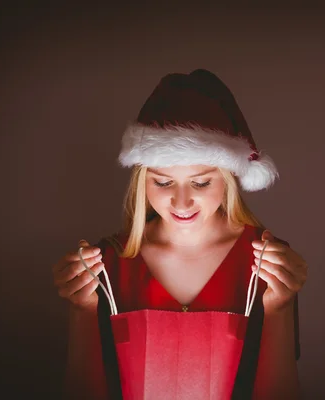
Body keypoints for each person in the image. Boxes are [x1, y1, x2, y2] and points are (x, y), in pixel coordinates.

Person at [52, 69, 308, 399]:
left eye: (201, 182)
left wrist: (280, 308)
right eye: (163, 181)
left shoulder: (268, 261)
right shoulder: (106, 264)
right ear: (141, 180)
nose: (182, 201)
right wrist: (81, 310)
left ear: (228, 178)